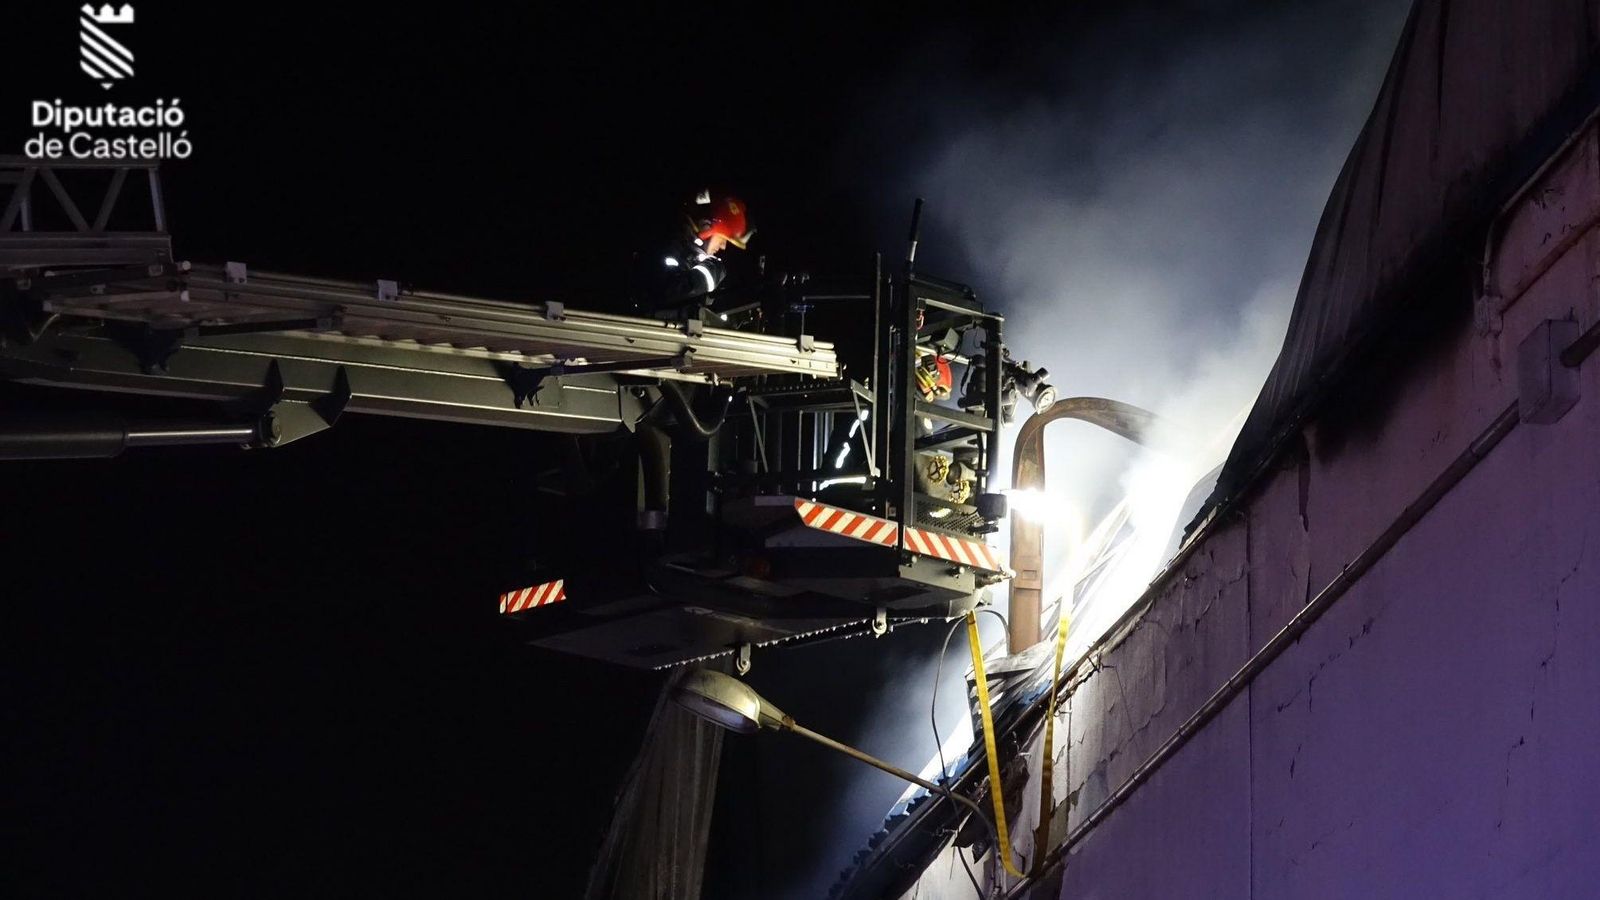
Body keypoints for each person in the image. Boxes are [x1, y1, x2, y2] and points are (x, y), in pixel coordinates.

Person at [632, 190, 753, 318]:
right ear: (706, 227)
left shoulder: (689, 252)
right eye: (723, 239)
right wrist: (713, 270)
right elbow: (668, 290)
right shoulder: (671, 245)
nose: (723, 247)